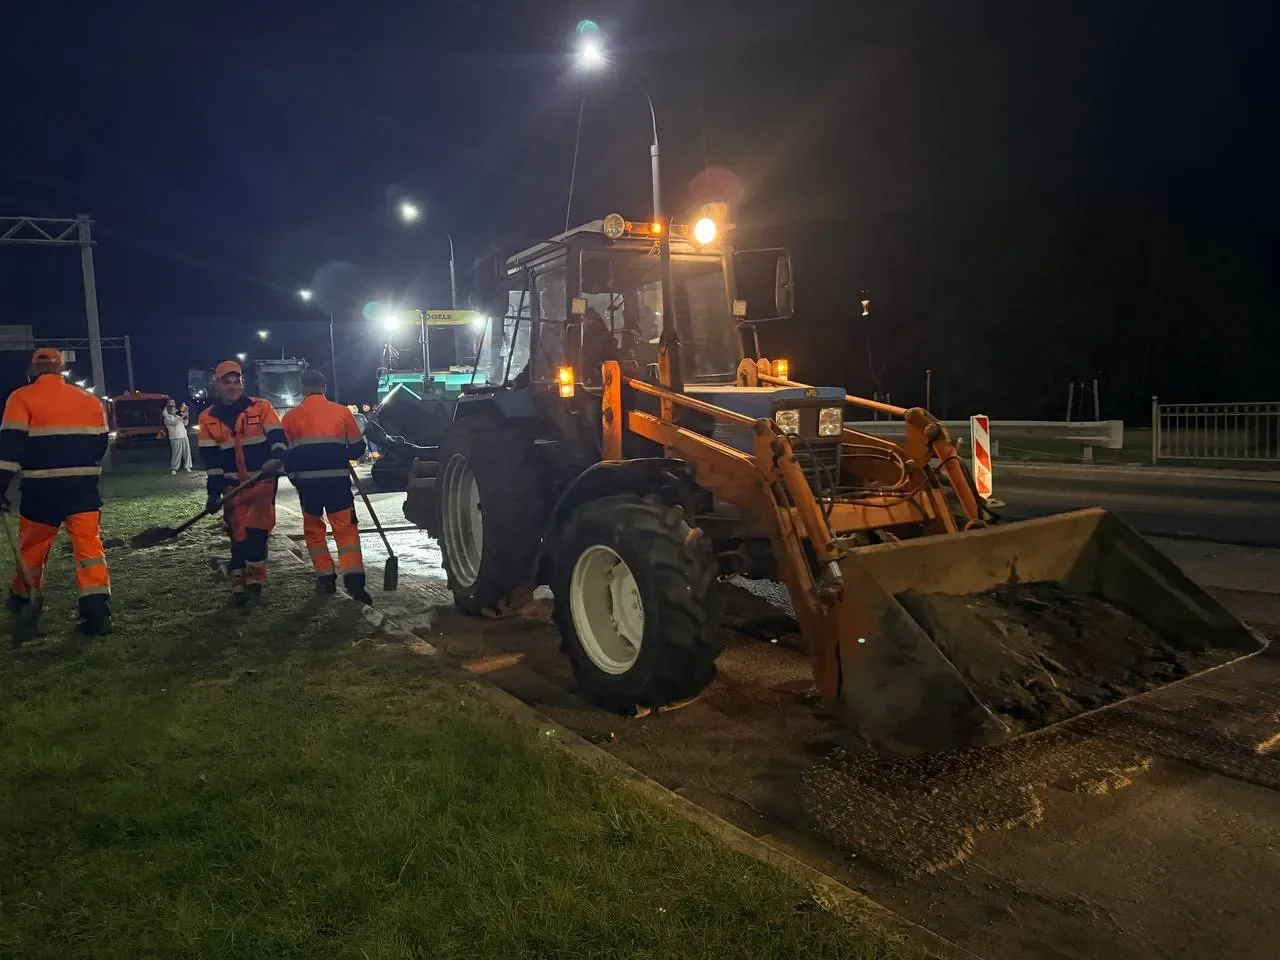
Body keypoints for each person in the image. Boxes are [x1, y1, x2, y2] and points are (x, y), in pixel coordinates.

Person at [0, 347, 112, 636]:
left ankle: (23, 599)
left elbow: (10, 448)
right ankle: (96, 612)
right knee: (89, 550)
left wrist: (2, 487)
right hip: (83, 489)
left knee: (33, 549)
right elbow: (101, 444)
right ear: (62, 369)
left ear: (33, 370)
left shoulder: (21, 398)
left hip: (41, 490)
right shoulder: (89, 400)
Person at [197, 360, 287, 603]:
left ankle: (255, 580)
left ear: (242, 383)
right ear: (217, 385)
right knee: (237, 534)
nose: (232, 387)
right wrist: (213, 494)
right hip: (232, 486)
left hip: (261, 481)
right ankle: (239, 580)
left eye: (236, 382)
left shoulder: (262, 407)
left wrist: (277, 456)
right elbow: (212, 461)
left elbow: (277, 437)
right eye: (226, 382)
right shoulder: (208, 418)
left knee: (257, 532)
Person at [282, 369, 371, 603]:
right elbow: (357, 448)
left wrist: (295, 478)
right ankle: (354, 582)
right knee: (345, 530)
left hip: (307, 485)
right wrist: (340, 452)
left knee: (314, 530)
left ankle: (325, 579)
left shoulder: (290, 417)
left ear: (303, 389)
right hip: (337, 482)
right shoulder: (341, 412)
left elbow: (285, 455)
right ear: (324, 388)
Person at [162, 398, 192, 474]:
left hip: (184, 435)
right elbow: (174, 423)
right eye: (173, 410)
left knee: (187, 452)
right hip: (175, 437)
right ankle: (174, 468)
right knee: (176, 453)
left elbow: (185, 424)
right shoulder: (167, 418)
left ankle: (187, 466)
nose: (174, 411)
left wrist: (186, 416)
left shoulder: (177, 416)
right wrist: (182, 416)